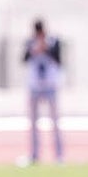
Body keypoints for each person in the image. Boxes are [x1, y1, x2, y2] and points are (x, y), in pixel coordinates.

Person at [21, 19, 63, 165]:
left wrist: (46, 49)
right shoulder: (30, 42)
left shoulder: (53, 41)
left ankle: (59, 155)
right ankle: (34, 155)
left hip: (50, 86)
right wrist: (34, 49)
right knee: (33, 123)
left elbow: (59, 59)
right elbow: (23, 59)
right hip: (35, 87)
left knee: (55, 122)